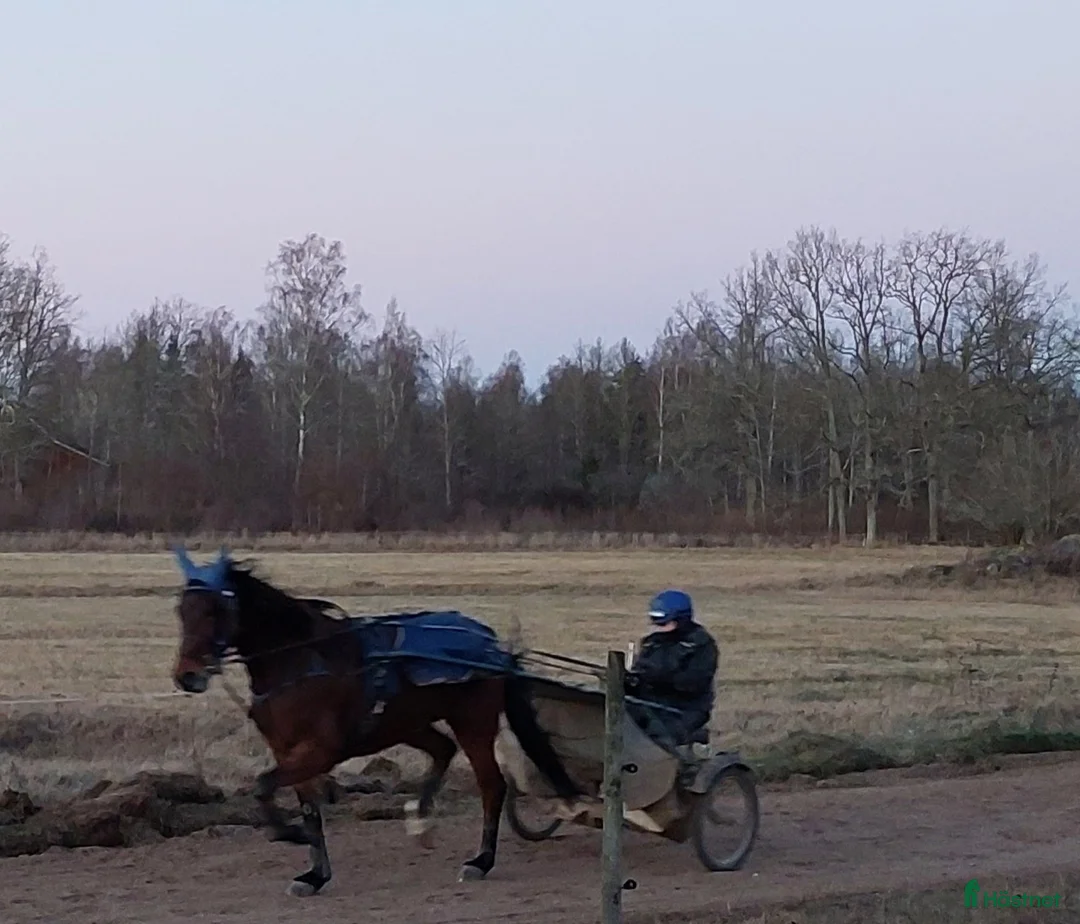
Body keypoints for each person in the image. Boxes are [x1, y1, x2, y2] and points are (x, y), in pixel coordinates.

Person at [625, 589, 718, 756]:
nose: (660, 628)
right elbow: (639, 672)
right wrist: (629, 681)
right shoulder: (651, 643)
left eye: (665, 623)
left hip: (683, 710)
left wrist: (658, 679)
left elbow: (694, 684)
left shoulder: (701, 645)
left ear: (682, 620)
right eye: (657, 623)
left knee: (651, 737)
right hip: (647, 704)